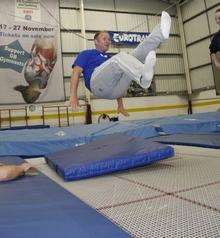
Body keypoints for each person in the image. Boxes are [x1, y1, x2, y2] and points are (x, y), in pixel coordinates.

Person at [70, 11, 171, 116]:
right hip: (97, 85)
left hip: (116, 91)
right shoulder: (86, 54)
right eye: (104, 39)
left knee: (133, 57)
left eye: (109, 39)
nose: (108, 41)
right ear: (96, 41)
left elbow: (117, 77)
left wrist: (120, 105)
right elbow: (76, 73)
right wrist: (73, 95)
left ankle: (160, 34)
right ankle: (142, 76)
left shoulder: (111, 60)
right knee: (121, 57)